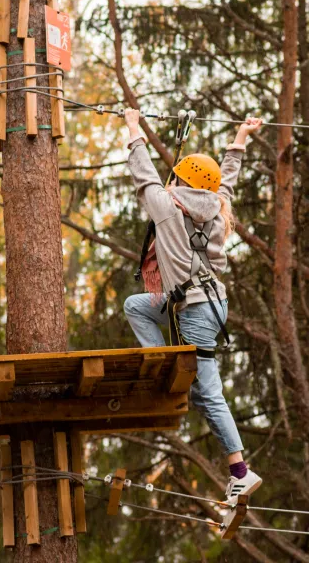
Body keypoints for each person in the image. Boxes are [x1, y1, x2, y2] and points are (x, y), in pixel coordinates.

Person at [121, 108, 264, 505]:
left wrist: (134, 127)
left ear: (181, 179)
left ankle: (240, 471)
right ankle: (163, 361)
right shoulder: (217, 207)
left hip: (197, 310)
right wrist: (239, 140)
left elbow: (144, 174)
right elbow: (229, 182)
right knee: (138, 305)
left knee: (210, 393)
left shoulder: (167, 207)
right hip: (209, 302)